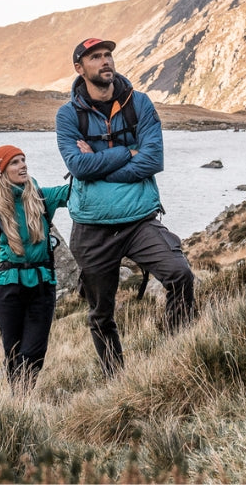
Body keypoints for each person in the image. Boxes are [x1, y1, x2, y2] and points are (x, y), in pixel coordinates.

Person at [55, 38, 195, 377]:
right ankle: (114, 378)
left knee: (180, 275)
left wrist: (101, 162)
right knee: (101, 313)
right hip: (92, 228)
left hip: (139, 221)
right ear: (80, 68)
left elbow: (153, 159)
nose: (105, 61)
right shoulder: (68, 115)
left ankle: (182, 356)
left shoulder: (140, 104)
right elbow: (78, 166)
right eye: (95, 57)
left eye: (108, 55)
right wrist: (125, 154)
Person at [0, 145, 69, 391]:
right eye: (14, 162)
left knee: (34, 352)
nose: (22, 165)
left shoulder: (43, 197)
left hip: (42, 285)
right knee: (13, 353)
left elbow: (74, 192)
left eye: (23, 160)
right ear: (1, 171)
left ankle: (20, 395)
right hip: (8, 287)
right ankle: (20, 403)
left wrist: (87, 160)